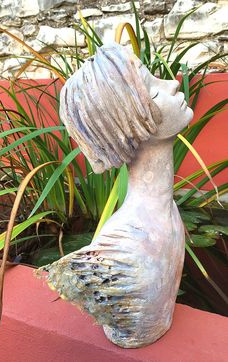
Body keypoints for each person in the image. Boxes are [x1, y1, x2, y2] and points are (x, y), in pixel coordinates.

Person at [38, 43, 194, 348]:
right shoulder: (124, 250)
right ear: (131, 125)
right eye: (153, 90)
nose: (174, 83)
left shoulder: (166, 214)